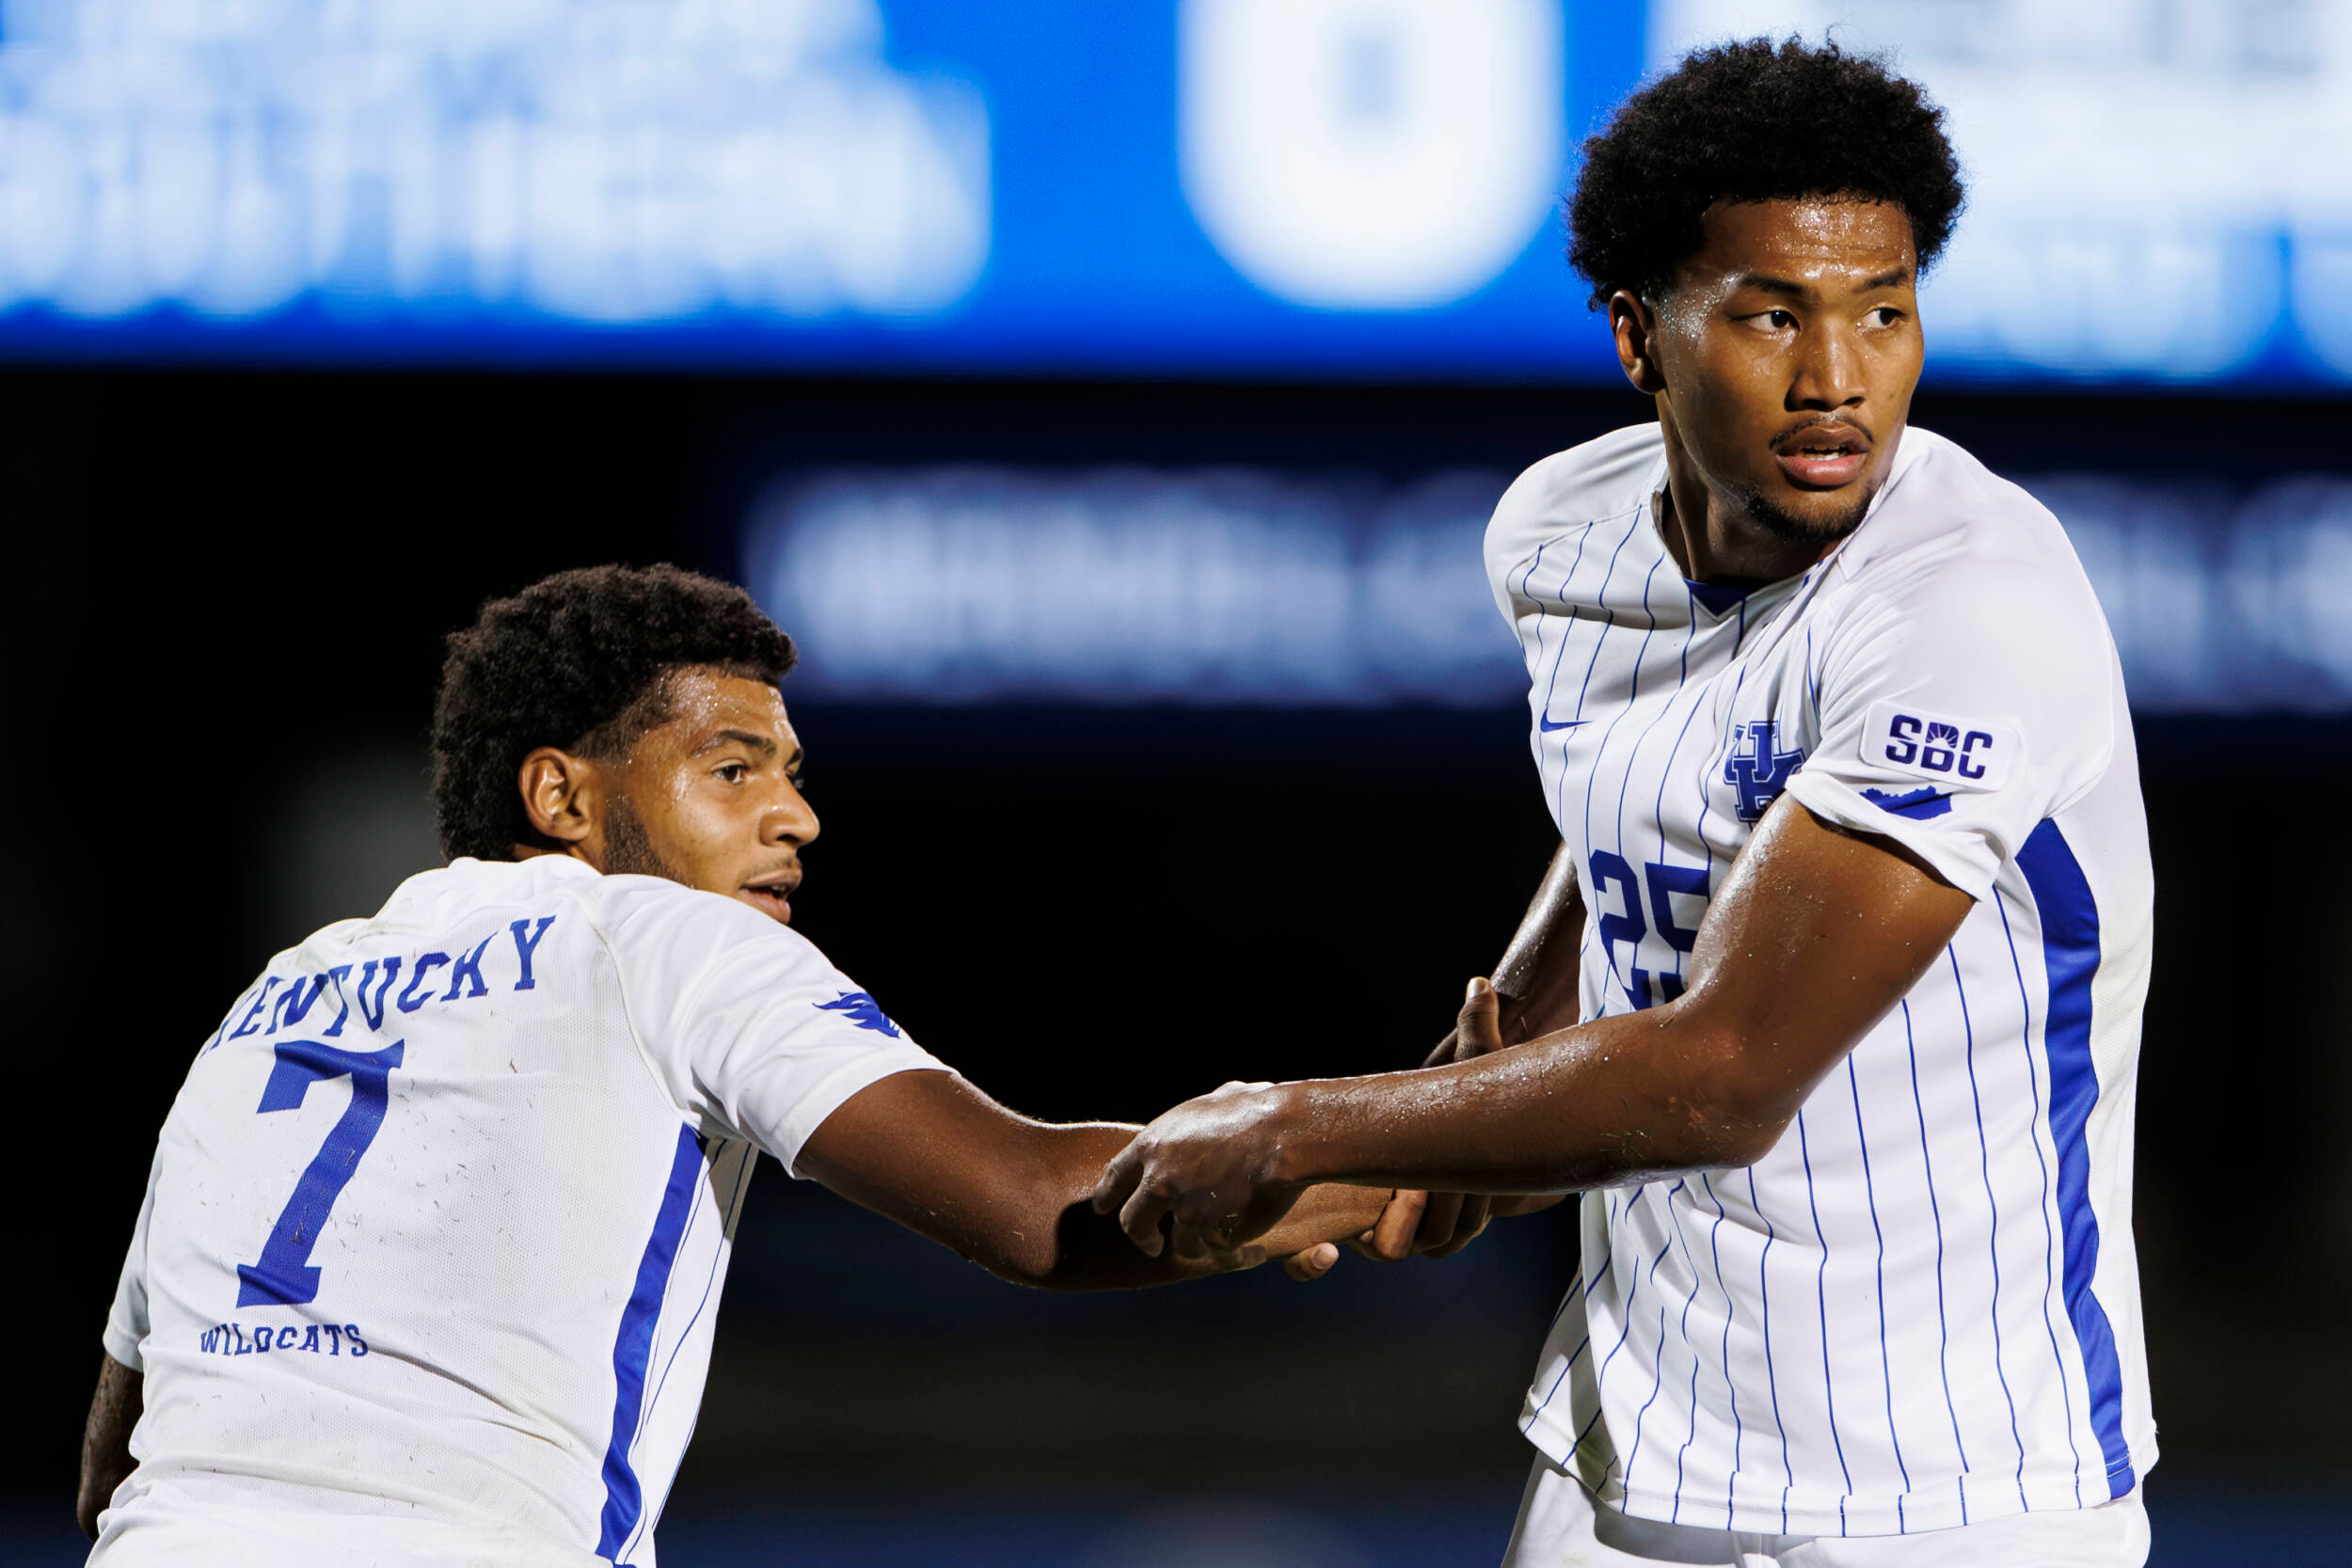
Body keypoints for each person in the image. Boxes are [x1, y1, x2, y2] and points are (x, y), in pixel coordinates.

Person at [1092, 39, 2154, 1567]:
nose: (1837, 376)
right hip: (1620, 1453)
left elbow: (1723, 1074)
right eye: (1771, 312)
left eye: (1885, 310)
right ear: (1639, 337)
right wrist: (1524, 998)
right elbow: (1644, 783)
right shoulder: (1556, 534)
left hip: (1960, 1495)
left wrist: (1306, 1124)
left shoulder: (1974, 606)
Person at [76, 563, 1391, 1565]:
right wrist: (1395, 1151)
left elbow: (118, 1449)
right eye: (731, 766)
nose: (796, 813)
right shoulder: (662, 938)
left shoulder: (273, 996)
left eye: (791, 771)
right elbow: (1038, 1206)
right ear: (564, 797)